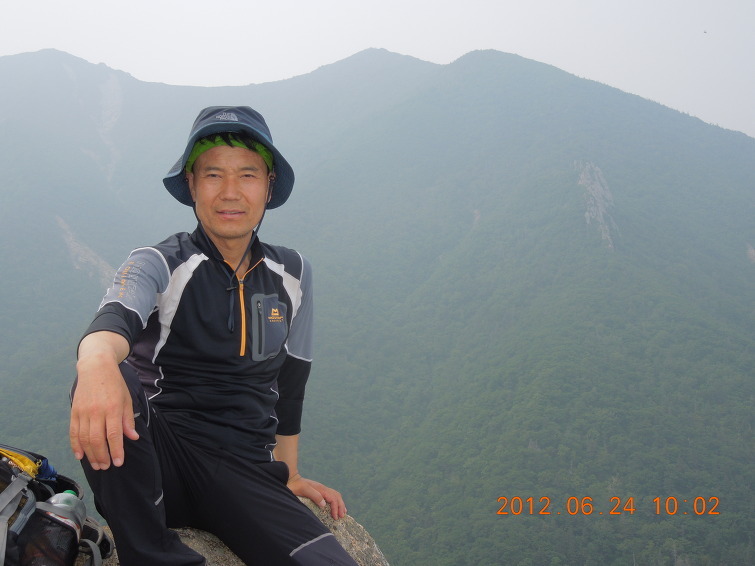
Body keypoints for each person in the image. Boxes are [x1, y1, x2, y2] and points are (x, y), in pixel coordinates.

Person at [69, 106, 358, 565]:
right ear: (191, 185)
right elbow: (112, 321)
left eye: (247, 175)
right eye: (213, 175)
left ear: (269, 187)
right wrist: (95, 362)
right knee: (109, 374)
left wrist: (290, 473)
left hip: (246, 473)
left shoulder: (294, 273)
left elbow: (291, 384)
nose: (230, 192)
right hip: (161, 462)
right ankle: (152, 554)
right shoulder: (160, 262)